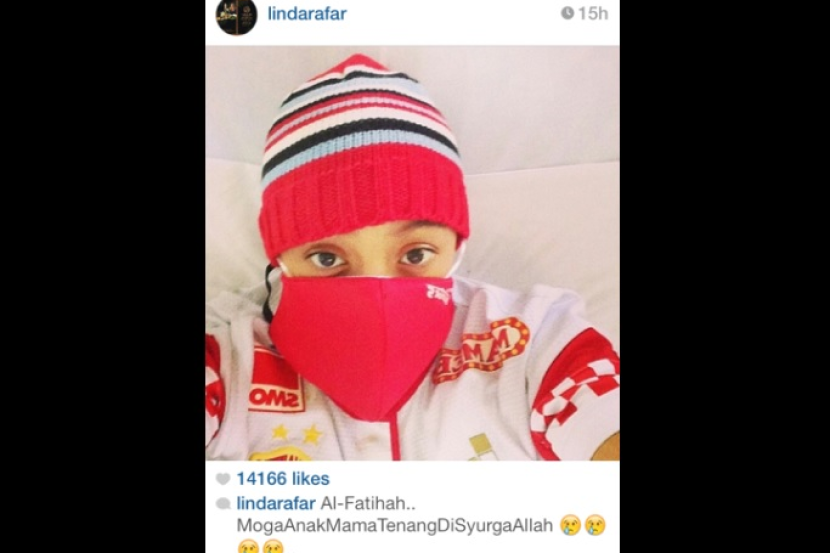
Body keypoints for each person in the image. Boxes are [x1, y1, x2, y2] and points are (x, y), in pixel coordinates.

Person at [205, 53, 620, 461]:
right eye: (327, 259)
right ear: (280, 255)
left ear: (456, 244)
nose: (379, 295)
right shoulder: (228, 361)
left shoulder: (534, 342)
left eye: (416, 254)